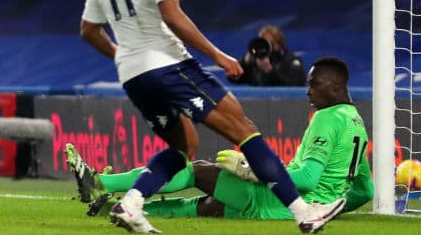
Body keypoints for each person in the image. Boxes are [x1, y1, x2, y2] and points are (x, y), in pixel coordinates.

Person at [79, 0, 344, 234]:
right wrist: (217, 54)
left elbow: (88, 30)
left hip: (133, 75)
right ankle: (304, 212)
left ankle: (131, 204)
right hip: (167, 64)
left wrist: (122, 55)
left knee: (184, 146)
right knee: (244, 130)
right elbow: (172, 14)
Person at [65, 56, 373, 222]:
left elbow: (307, 179)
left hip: (275, 200)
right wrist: (332, 208)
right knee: (206, 207)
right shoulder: (357, 125)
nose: (308, 91)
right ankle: (110, 209)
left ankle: (101, 184)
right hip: (281, 212)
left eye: (315, 85)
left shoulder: (327, 117)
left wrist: (253, 171)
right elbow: (364, 191)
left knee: (196, 170)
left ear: (336, 88)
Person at [229, 24, 306, 87]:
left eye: (271, 43)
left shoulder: (291, 61)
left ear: (280, 44)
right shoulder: (255, 62)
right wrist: (245, 63)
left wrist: (269, 71)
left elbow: (295, 85)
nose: (268, 48)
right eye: (264, 43)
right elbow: (233, 78)